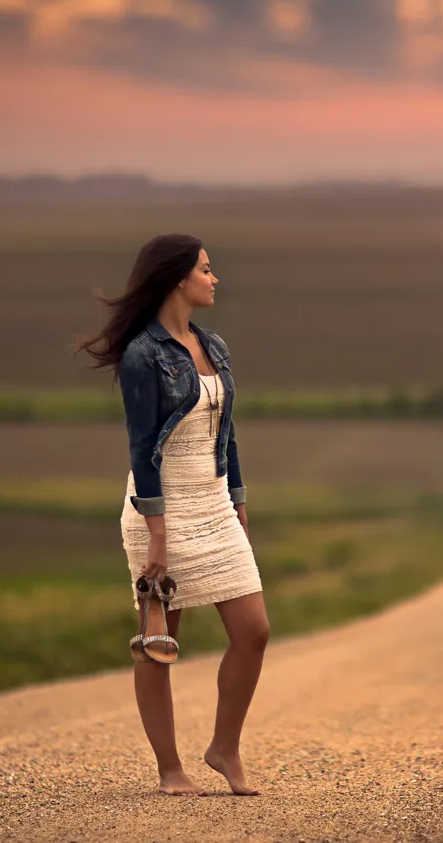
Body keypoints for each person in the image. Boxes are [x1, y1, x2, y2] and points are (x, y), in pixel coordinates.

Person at [76, 233, 269, 797]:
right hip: (159, 507)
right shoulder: (144, 355)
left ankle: (224, 748)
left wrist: (238, 498)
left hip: (213, 503)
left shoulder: (214, 345)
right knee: (159, 642)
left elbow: (226, 431)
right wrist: (157, 537)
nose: (215, 279)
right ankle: (169, 769)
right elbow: (143, 450)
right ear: (178, 278)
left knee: (254, 631)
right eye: (206, 269)